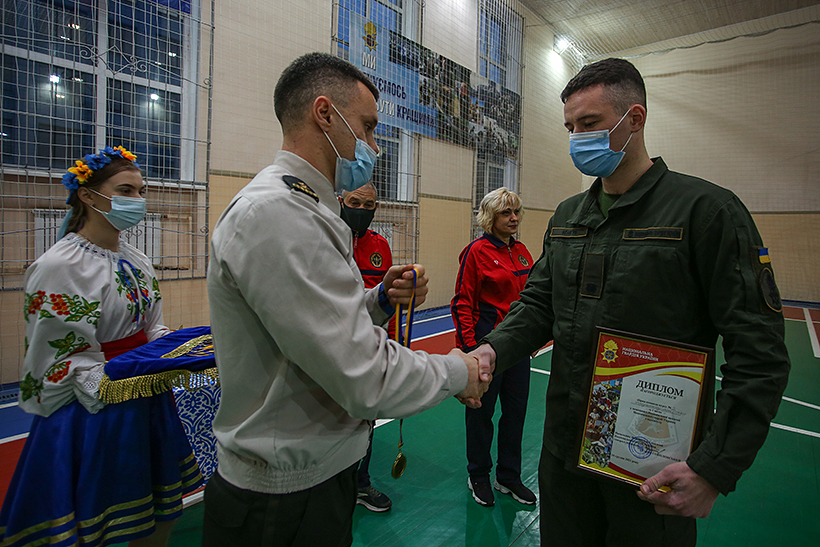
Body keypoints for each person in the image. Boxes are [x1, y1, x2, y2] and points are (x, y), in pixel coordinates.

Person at [471, 58, 790, 546]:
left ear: (634, 118)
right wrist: (491, 350)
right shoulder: (567, 217)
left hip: (650, 468)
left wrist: (714, 468)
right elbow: (538, 305)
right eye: (571, 128)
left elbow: (759, 353)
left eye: (590, 123)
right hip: (564, 455)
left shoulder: (706, 213)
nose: (577, 138)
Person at [203, 52, 489, 546]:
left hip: (313, 476)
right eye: (369, 127)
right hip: (280, 499)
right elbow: (363, 375)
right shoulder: (279, 213)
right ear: (325, 114)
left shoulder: (307, 207)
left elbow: (316, 325)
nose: (374, 146)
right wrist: (459, 370)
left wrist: (379, 300)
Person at [0, 146, 202, 547]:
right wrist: (122, 375)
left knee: (159, 513)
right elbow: (56, 357)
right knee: (90, 518)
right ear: (87, 195)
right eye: (125, 191)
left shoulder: (137, 259)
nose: (137, 200)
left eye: (141, 191)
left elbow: (151, 327)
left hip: (145, 397)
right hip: (91, 408)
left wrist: (184, 349)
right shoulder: (61, 265)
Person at [451, 187, 536, 507]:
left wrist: (530, 337)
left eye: (516, 211)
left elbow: (531, 300)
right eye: (505, 212)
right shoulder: (476, 252)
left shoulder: (522, 251)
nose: (514, 218)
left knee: (516, 413)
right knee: (480, 415)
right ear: (490, 217)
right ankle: (478, 475)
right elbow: (462, 303)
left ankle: (508, 476)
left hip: (517, 349)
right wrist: (471, 350)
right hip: (486, 346)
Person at [338, 182, 394, 512]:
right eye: (355, 202)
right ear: (340, 200)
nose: (361, 210)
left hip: (371, 349)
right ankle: (330, 487)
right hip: (332, 349)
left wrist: (392, 346)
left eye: (369, 205)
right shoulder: (327, 238)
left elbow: (387, 301)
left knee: (366, 420)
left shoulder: (381, 246)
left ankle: (361, 483)